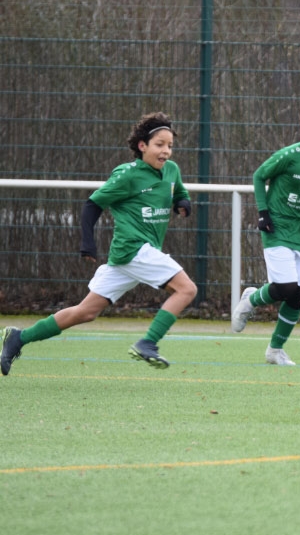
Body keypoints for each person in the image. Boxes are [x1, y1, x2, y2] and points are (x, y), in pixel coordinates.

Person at [0, 112, 196, 375]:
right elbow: (92, 205)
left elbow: (179, 192)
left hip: (132, 257)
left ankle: (18, 338)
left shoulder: (171, 170)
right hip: (133, 249)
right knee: (187, 289)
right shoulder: (127, 175)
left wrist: (183, 203)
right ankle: (148, 343)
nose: (166, 151)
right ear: (142, 146)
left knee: (85, 312)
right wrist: (88, 242)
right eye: (159, 144)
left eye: (169, 146)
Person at [230, 101, 300, 366]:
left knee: (298, 295)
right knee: (285, 287)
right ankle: (250, 300)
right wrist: (263, 213)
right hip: (278, 227)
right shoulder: (289, 156)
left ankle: (275, 351)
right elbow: (259, 176)